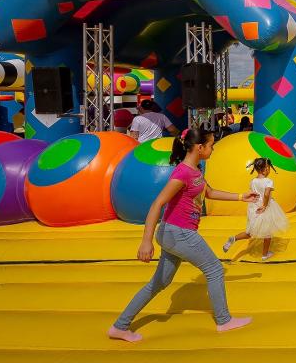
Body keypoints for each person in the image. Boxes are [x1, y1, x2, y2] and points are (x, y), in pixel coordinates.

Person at [108, 129, 256, 342]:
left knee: (159, 283)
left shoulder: (196, 169)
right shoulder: (182, 173)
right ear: (199, 148)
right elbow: (158, 203)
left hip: (175, 234)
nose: (213, 149)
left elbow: (210, 193)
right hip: (179, 233)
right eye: (211, 145)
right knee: (214, 269)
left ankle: (119, 326)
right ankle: (224, 321)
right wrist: (146, 241)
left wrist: (242, 197)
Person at [223, 158, 289, 261]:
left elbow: (253, 193)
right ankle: (264, 254)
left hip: (254, 207)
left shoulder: (253, 181)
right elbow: (266, 194)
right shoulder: (268, 181)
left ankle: (234, 238)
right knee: (268, 232)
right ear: (266, 169)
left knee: (250, 232)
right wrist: (265, 205)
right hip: (264, 207)